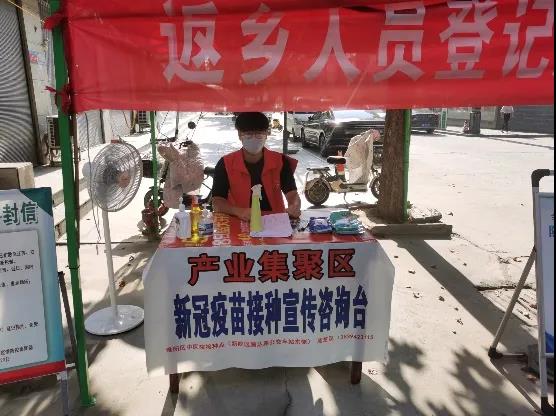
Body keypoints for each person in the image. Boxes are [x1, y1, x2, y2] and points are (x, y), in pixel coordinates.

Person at [212, 112, 302, 221]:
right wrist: (238, 211)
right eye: (248, 134)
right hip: (239, 221)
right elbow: (217, 202)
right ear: (240, 135)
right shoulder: (226, 163)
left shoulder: (280, 161)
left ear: (266, 134)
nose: (254, 138)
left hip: (275, 222)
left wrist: (295, 205)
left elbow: (292, 193)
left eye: (259, 133)